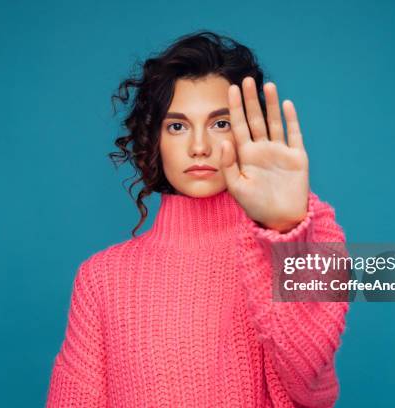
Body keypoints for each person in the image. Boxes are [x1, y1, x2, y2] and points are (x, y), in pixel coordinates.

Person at [46, 30, 349, 408]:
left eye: (220, 123)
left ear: (248, 131)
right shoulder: (101, 279)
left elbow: (314, 391)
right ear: (154, 138)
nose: (200, 146)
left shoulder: (299, 239)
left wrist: (286, 233)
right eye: (177, 126)